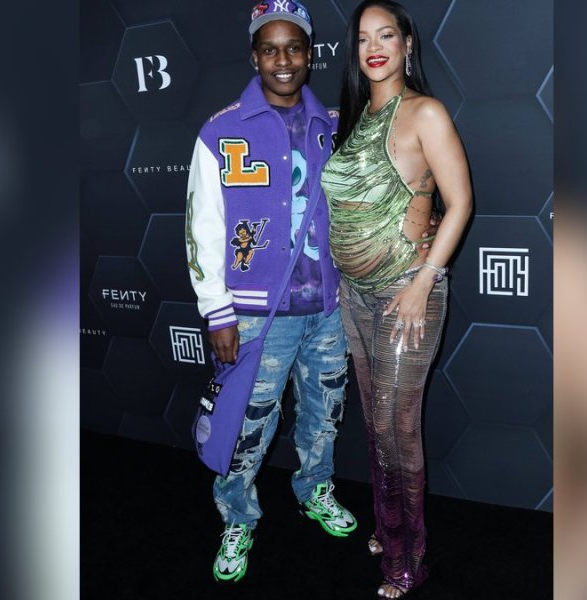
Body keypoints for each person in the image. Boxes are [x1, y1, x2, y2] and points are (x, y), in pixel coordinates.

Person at [184, 1, 359, 583]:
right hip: (259, 316)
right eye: (270, 49)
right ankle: (237, 516)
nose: (283, 60)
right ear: (254, 54)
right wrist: (217, 313)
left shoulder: (335, 124)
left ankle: (315, 490)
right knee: (247, 427)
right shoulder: (220, 129)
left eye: (294, 48)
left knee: (323, 416)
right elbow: (202, 229)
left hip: (328, 311)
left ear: (310, 54)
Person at [321, 1, 473, 597]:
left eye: (387, 34)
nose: (374, 46)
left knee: (396, 429)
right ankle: (390, 526)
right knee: (374, 423)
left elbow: (459, 203)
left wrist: (423, 280)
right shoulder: (358, 118)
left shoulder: (424, 113)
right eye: (363, 38)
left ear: (408, 42)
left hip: (406, 294)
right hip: (355, 297)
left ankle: (408, 557)